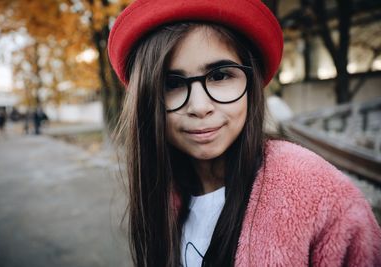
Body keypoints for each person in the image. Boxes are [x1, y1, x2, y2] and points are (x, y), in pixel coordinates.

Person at [107, 0, 381, 266]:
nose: (199, 107)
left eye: (220, 76)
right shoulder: (160, 195)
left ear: (251, 83)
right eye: (172, 83)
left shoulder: (322, 198)